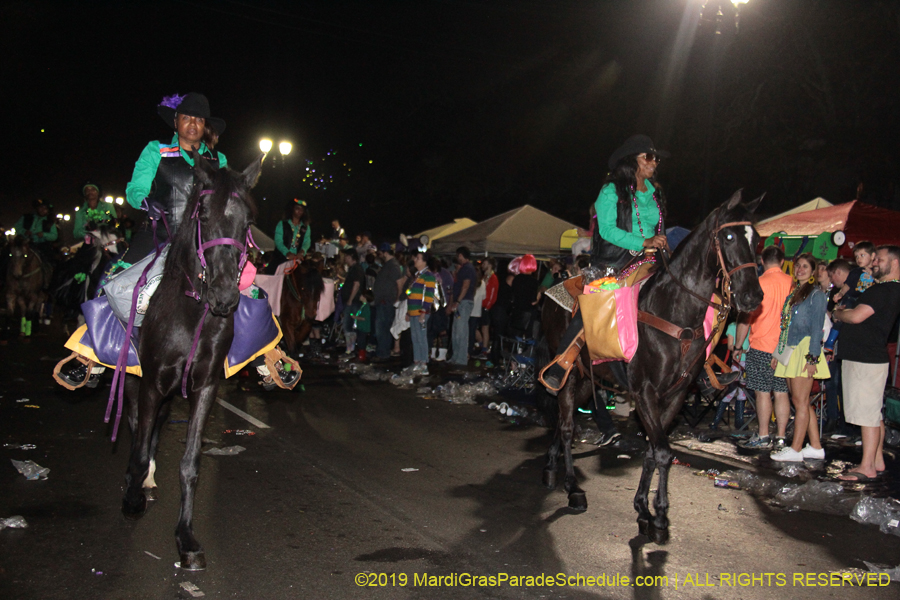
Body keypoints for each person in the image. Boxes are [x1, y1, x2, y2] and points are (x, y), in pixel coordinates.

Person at [58, 92, 296, 391]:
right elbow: (135, 189)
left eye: (199, 119)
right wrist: (146, 202)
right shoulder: (155, 150)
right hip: (160, 233)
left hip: (202, 239)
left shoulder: (217, 159)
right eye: (187, 118)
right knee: (115, 279)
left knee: (247, 285)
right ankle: (87, 355)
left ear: (205, 125)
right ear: (176, 121)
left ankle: (268, 356)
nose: (193, 124)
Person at [540, 135, 669, 393]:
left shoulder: (656, 195)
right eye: (649, 157)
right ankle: (561, 363)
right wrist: (643, 242)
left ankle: (702, 364)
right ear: (633, 161)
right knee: (597, 300)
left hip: (652, 261)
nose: (655, 163)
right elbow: (608, 230)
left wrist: (661, 243)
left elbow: (657, 227)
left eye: (655, 158)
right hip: (615, 262)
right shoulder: (611, 191)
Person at [833, 246, 900, 481]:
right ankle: (876, 460)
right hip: (866, 358)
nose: (873, 264)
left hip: (866, 360)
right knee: (873, 414)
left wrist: (839, 314)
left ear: (893, 264)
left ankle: (867, 466)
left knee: (868, 416)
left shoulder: (885, 290)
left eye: (879, 260)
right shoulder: (885, 290)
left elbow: (857, 316)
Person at [769, 253, 831, 461]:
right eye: (797, 266)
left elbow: (816, 329)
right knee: (799, 401)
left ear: (813, 271)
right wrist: (778, 353)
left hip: (805, 349)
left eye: (805, 266)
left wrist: (812, 359)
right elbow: (785, 327)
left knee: (801, 401)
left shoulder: (816, 295)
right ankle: (815, 446)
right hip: (790, 348)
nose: (800, 270)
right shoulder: (794, 293)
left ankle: (795, 450)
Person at [734, 246, 794, 450]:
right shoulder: (792, 284)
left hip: (761, 345)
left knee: (762, 392)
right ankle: (781, 437)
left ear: (761, 261)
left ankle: (763, 435)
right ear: (783, 261)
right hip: (785, 347)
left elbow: (745, 318)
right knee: (781, 392)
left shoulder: (757, 284)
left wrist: (738, 345)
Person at [372, 244, 404, 360]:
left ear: (385, 252)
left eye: (380, 252)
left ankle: (383, 353)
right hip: (383, 301)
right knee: (381, 328)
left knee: (383, 328)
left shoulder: (393, 266)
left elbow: (399, 283)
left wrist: (397, 299)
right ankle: (382, 352)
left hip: (387, 302)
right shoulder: (388, 265)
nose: (378, 255)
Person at [406, 251, 437, 374]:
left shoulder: (428, 275)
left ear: (424, 262)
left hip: (421, 312)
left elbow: (429, 295)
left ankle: (424, 363)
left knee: (421, 337)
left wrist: (424, 311)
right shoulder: (417, 276)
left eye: (418, 258)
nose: (415, 260)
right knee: (415, 337)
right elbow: (411, 294)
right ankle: (417, 361)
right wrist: (409, 312)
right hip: (413, 311)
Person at [447, 246, 477, 365]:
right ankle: (456, 357)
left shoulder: (468, 268)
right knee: (456, 331)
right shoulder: (465, 268)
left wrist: (458, 301)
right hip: (461, 302)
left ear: (460, 255)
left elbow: (466, 286)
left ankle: (461, 359)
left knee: (461, 331)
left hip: (463, 303)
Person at [270, 198, 311, 273]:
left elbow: (307, 241)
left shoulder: (306, 227)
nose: (299, 211)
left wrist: (302, 252)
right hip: (282, 258)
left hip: (298, 259)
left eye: (302, 209)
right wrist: (287, 253)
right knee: (272, 273)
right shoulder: (282, 224)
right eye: (297, 208)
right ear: (292, 209)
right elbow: (278, 241)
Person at [834, 241, 876, 308]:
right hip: (851, 298)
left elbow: (880, 284)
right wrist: (841, 293)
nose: (858, 259)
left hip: (867, 301)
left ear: (872, 256)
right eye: (856, 256)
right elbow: (847, 285)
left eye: (862, 255)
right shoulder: (855, 271)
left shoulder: (877, 271)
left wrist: (873, 275)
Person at [341, 249, 366, 354]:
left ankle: (351, 350)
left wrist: (350, 299)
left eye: (346, 256)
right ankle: (350, 349)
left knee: (349, 326)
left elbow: (356, 285)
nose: (345, 258)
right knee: (349, 326)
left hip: (354, 302)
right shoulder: (353, 269)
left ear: (351, 257)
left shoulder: (356, 269)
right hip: (352, 301)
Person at [478, 258, 499, 360]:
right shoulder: (485, 277)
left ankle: (484, 349)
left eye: (484, 263)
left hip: (485, 306)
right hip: (480, 305)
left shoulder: (493, 278)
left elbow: (492, 295)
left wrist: (487, 306)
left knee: (484, 328)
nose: (482, 265)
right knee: (478, 327)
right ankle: (482, 344)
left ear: (490, 265)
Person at [469, 266, 486, 357]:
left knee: (469, 331)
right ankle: (471, 349)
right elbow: (484, 296)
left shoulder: (471, 282)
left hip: (469, 310)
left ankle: (468, 349)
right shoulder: (482, 283)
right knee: (472, 331)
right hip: (477, 311)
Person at [350, 290, 372, 359]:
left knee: (361, 341)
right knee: (360, 341)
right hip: (360, 327)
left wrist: (355, 317)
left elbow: (364, 318)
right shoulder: (363, 306)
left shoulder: (366, 307)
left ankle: (362, 356)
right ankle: (361, 354)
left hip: (363, 328)